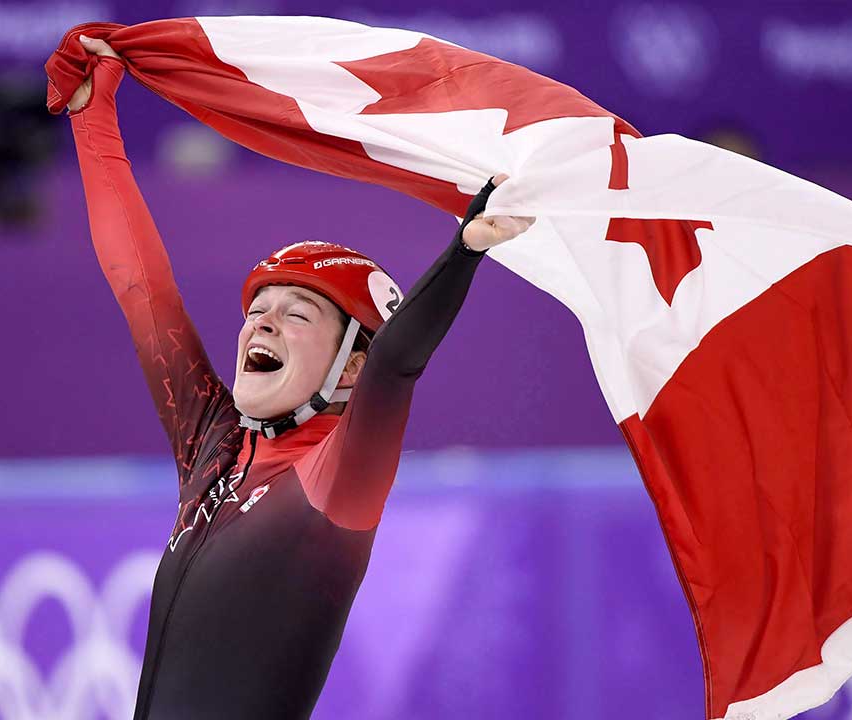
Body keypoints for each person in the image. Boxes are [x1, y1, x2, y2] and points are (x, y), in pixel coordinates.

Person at [66, 36, 533, 719]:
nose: (262, 324)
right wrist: (92, 114)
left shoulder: (335, 483)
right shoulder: (213, 448)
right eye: (256, 311)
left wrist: (462, 253)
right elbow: (141, 286)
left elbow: (397, 367)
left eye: (296, 314)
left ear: (350, 365)